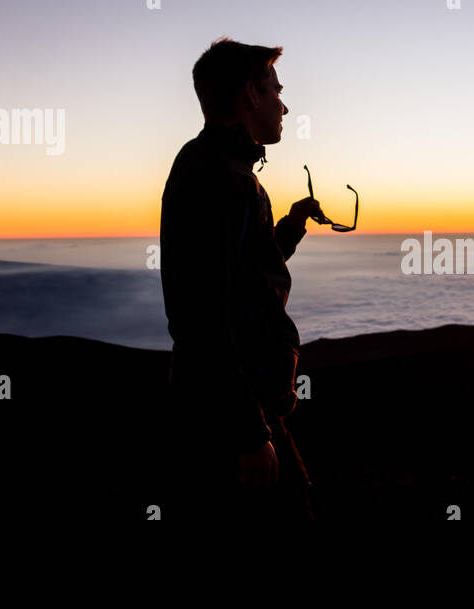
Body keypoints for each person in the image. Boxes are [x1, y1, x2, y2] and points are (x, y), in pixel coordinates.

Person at [158, 37, 322, 521]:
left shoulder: (214, 167)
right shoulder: (222, 180)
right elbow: (202, 321)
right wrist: (250, 436)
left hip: (229, 406)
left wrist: (291, 227)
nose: (284, 105)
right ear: (251, 94)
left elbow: (241, 274)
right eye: (275, 90)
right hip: (232, 414)